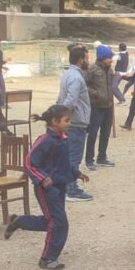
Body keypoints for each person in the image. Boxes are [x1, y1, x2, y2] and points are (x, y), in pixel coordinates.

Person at [5, 105, 89, 270]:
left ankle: (18, 221)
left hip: (60, 186)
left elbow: (65, 164)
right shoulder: (45, 140)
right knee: (59, 223)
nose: (69, 123)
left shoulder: (63, 140)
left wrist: (77, 173)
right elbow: (29, 163)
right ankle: (47, 259)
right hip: (46, 189)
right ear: (55, 121)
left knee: (52, 220)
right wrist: (42, 178)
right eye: (66, 120)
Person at [57, 45, 93, 202]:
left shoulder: (68, 75)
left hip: (72, 122)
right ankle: (71, 190)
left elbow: (61, 98)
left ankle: (66, 187)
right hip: (76, 122)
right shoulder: (76, 77)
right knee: (74, 157)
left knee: (68, 156)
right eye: (87, 58)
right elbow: (70, 101)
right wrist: (63, 117)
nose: (88, 61)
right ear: (80, 60)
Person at [84, 45, 117, 171]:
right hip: (96, 107)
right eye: (109, 58)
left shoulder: (110, 70)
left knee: (105, 133)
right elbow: (84, 85)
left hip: (108, 106)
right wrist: (96, 94)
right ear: (102, 58)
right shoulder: (91, 69)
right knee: (92, 134)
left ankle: (102, 157)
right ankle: (89, 160)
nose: (111, 60)